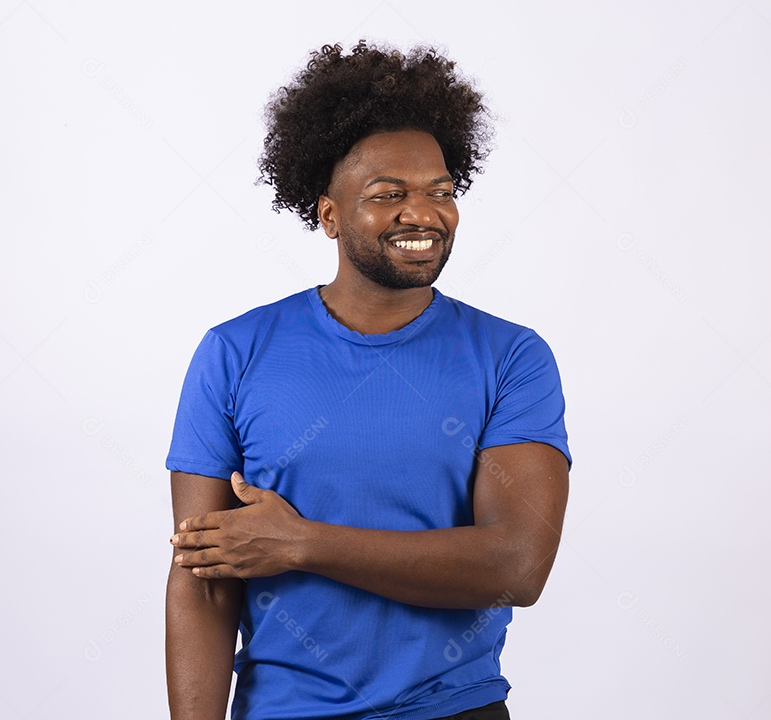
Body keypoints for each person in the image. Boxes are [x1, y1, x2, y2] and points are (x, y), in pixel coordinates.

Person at [165, 40, 571, 720]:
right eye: (391, 195)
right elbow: (205, 579)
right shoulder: (234, 352)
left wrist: (301, 542)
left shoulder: (511, 357)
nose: (424, 214)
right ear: (328, 214)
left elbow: (517, 566)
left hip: (454, 710)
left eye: (441, 191)